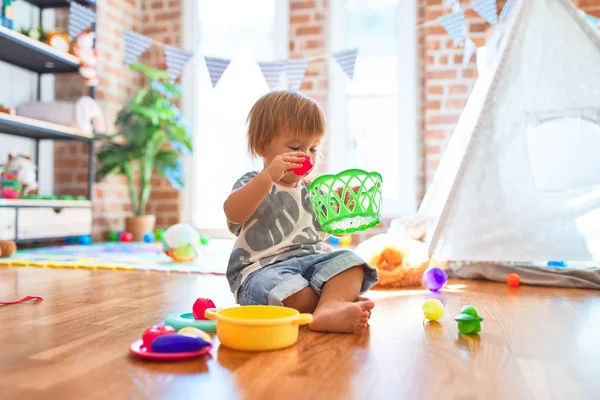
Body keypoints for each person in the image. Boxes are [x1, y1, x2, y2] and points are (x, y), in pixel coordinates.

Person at [224, 90, 378, 333]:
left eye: (314, 148)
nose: (306, 157)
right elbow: (233, 213)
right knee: (279, 287)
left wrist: (342, 207)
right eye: (296, 146)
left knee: (352, 262)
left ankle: (328, 307)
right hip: (262, 271)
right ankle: (330, 304)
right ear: (263, 146)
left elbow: (321, 233)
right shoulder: (255, 182)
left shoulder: (313, 191)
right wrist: (268, 177)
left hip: (312, 264)